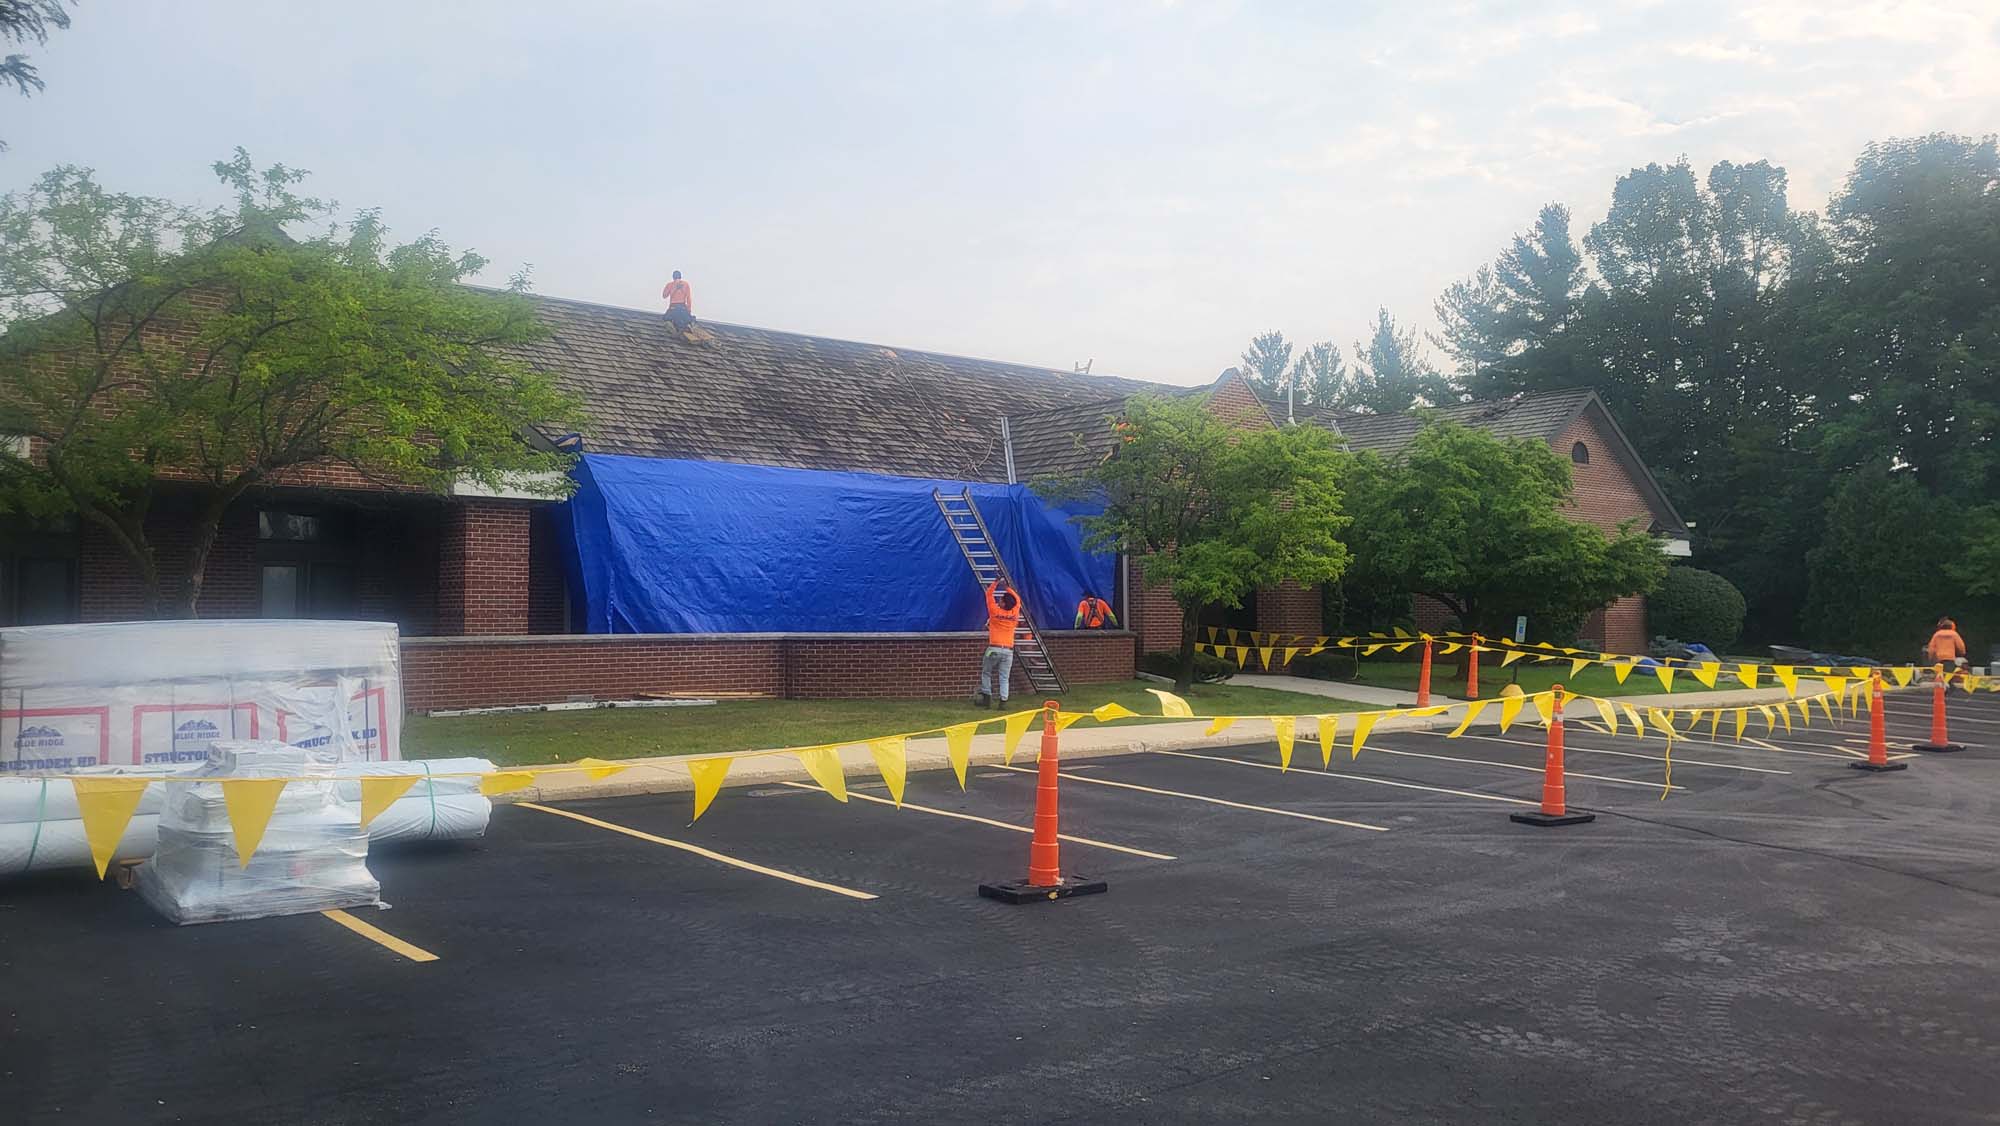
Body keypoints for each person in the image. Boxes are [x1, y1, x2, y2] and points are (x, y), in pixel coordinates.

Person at [975, 579, 1022, 708]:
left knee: (986, 672)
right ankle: (1003, 701)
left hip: (993, 648)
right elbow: (1018, 600)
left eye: (1000, 600)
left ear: (1004, 603)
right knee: (1004, 677)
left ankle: (987, 698)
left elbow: (989, 594)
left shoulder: (994, 612)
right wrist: (1008, 587)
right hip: (1008, 650)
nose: (998, 601)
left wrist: (996, 582)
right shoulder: (1014, 613)